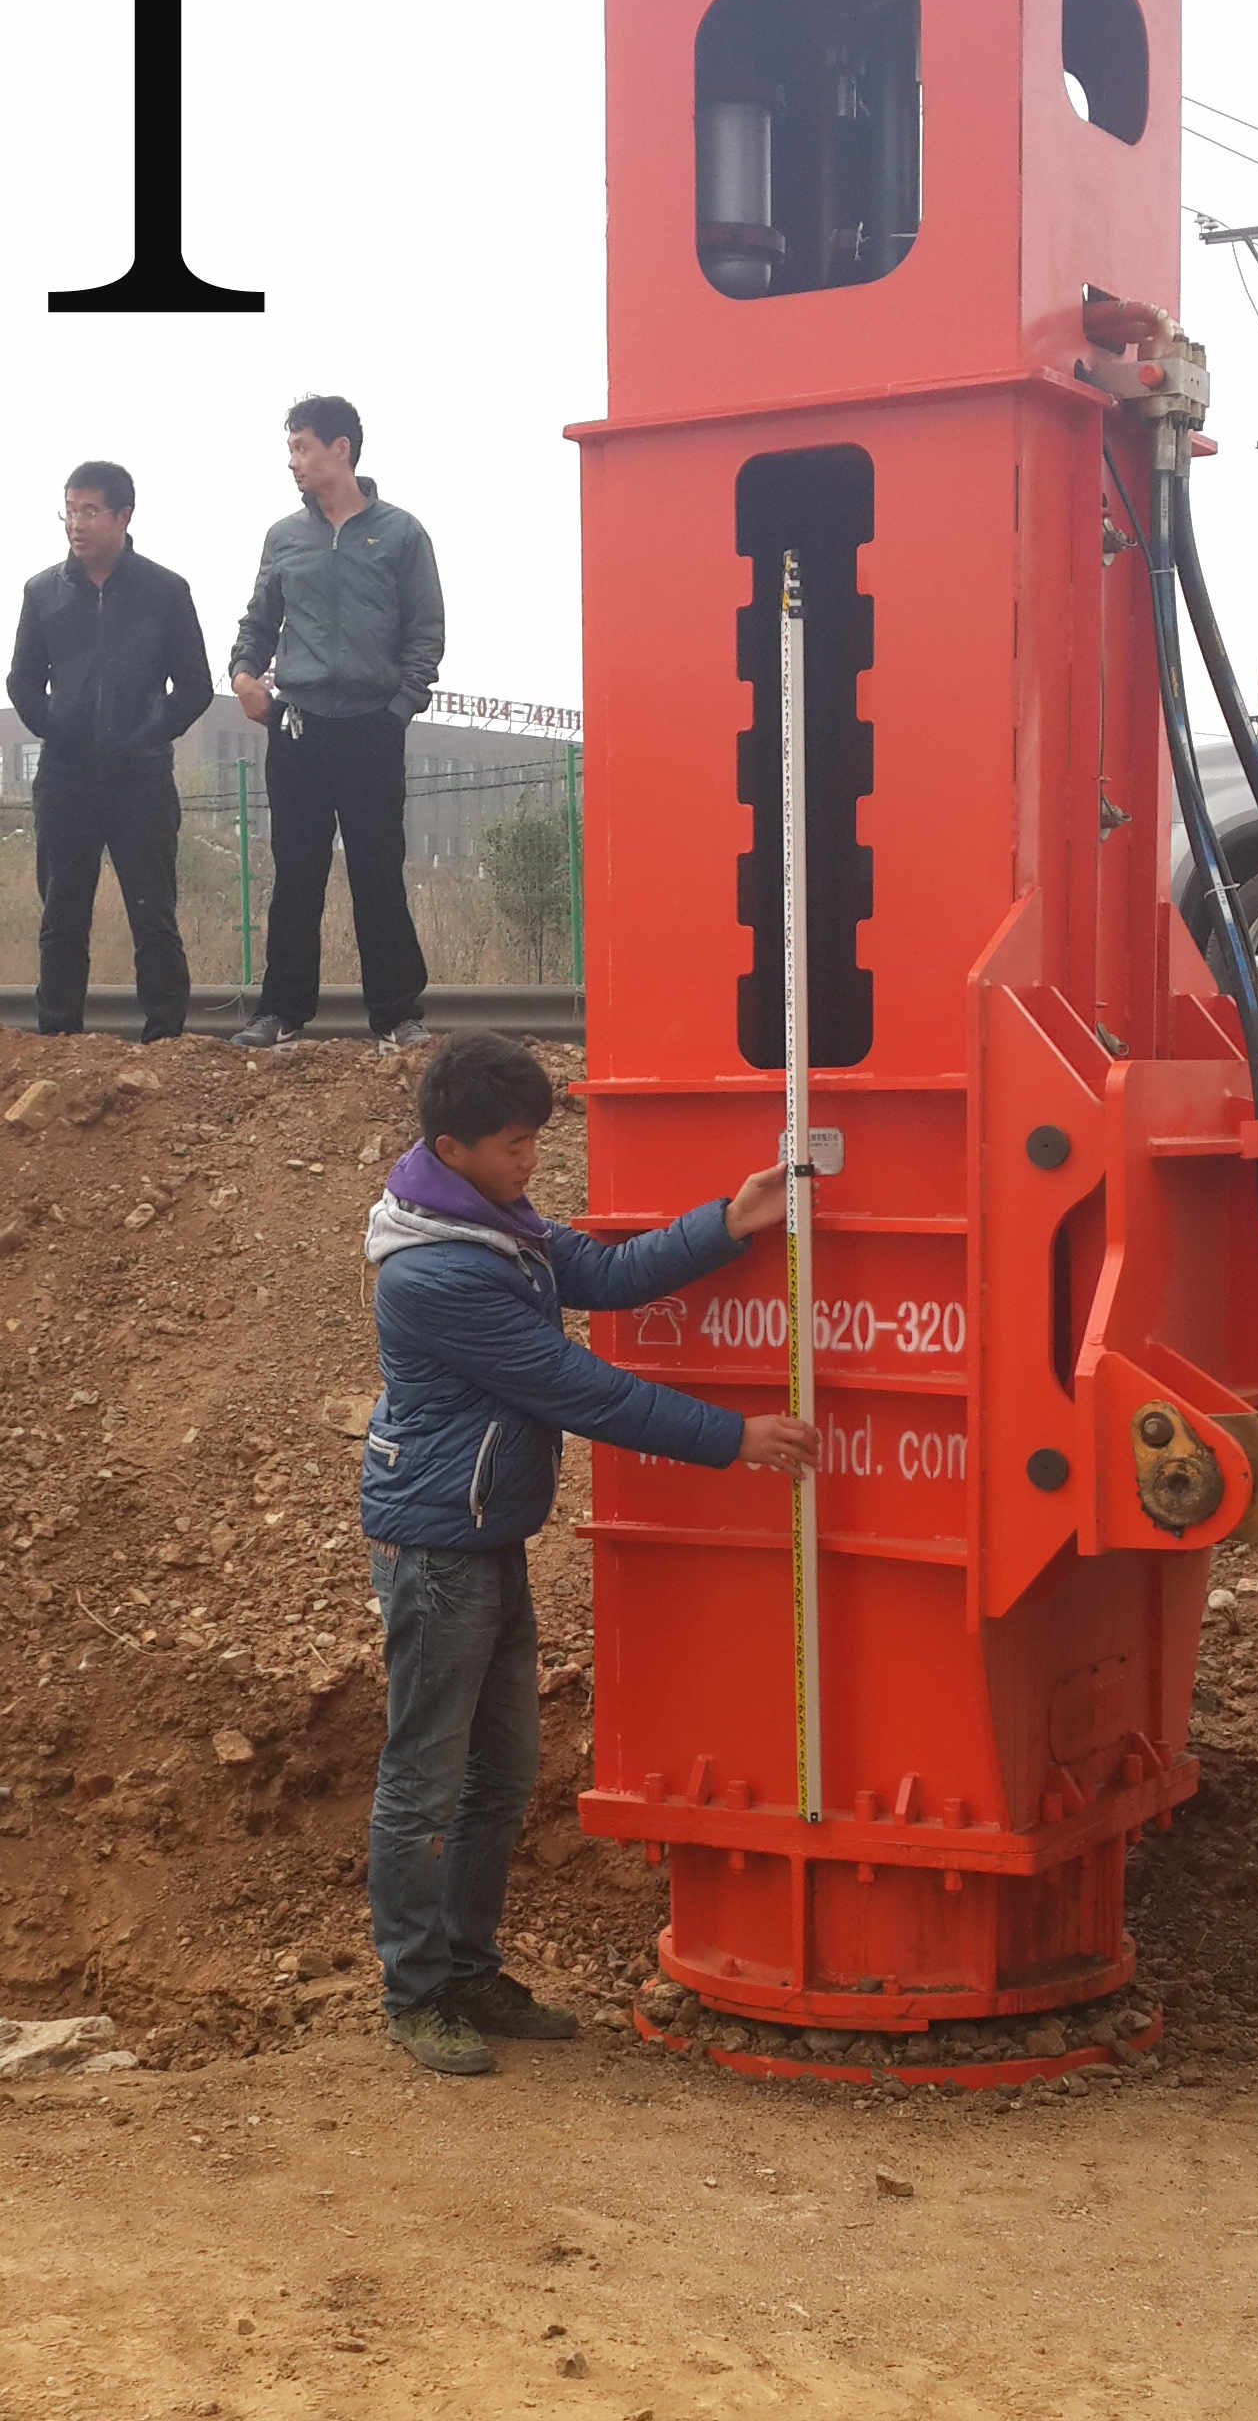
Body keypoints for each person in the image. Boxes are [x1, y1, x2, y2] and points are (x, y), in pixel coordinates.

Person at [357, 1031, 819, 2076]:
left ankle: (469, 1968)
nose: (534, 1162)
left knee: (499, 1770)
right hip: (436, 1550)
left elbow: (604, 1273)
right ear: (453, 1145)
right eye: (517, 1144)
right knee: (425, 1782)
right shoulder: (435, 1271)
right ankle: (416, 1992)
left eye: (534, 1142)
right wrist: (733, 1438)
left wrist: (730, 1224)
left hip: (480, 1533)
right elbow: (577, 1387)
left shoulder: (484, 1216)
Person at [227, 395, 444, 1055]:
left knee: (378, 872)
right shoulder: (284, 538)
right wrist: (243, 674)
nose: (291, 460)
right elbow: (259, 622)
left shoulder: (401, 534)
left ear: (340, 449)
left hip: (372, 730)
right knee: (296, 873)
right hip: (299, 730)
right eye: (291, 447)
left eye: (301, 446)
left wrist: (399, 708)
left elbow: (425, 632)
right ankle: (281, 1011)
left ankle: (397, 1016)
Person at [7, 461, 212, 1042]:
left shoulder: (165, 591)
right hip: (66, 778)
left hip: (140, 779)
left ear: (124, 516)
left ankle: (165, 1038)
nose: (77, 523)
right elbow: (22, 681)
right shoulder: (43, 592)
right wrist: (56, 727)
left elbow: (194, 685)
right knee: (62, 916)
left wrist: (147, 733)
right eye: (70, 510)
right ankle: (57, 1036)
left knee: (153, 914)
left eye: (90, 510)